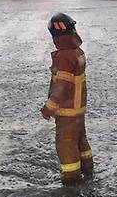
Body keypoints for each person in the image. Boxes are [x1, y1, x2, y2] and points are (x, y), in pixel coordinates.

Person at [40, 12, 93, 185]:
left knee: (66, 144)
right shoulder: (77, 52)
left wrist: (49, 107)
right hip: (78, 110)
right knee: (80, 140)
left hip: (67, 112)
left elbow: (62, 87)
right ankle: (88, 169)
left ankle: (72, 183)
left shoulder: (64, 57)